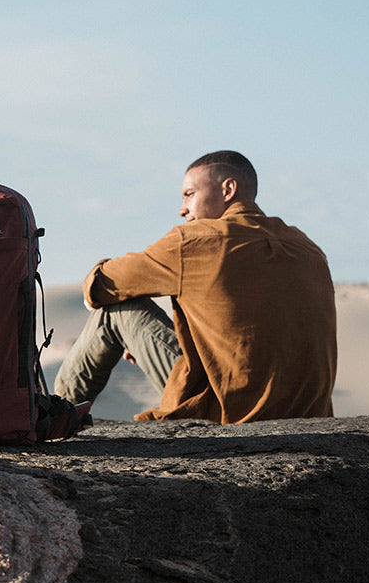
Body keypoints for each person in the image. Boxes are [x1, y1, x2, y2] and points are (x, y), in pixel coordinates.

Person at [54, 151, 337, 423]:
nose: (182, 210)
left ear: (228, 189)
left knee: (116, 311)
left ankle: (51, 416)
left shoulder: (197, 241)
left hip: (227, 413)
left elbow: (102, 284)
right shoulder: (308, 248)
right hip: (309, 414)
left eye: (189, 194)